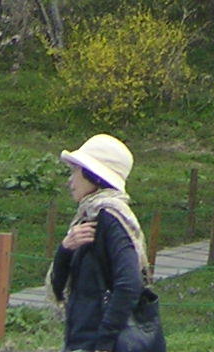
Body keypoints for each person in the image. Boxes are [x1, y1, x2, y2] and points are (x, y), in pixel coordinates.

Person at [48, 133, 164, 352]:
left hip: (97, 341)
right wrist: (65, 249)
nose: (70, 180)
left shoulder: (111, 219)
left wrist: (104, 342)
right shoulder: (87, 218)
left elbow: (129, 283)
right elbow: (59, 286)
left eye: (76, 171)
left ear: (94, 176)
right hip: (82, 338)